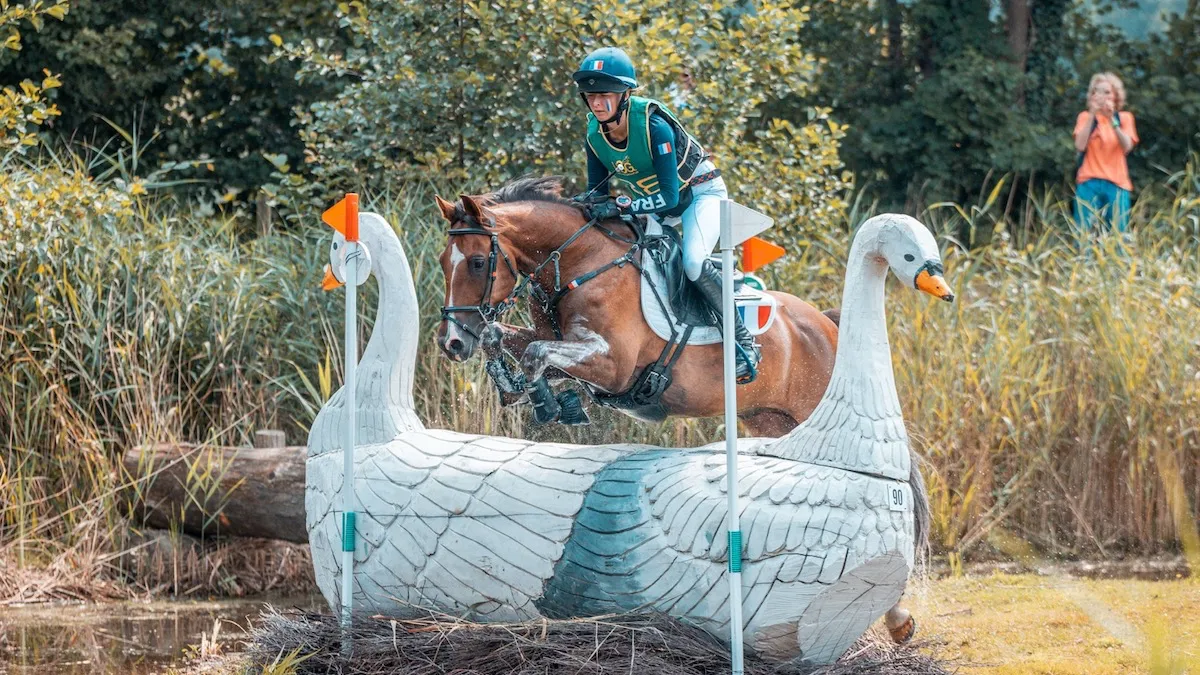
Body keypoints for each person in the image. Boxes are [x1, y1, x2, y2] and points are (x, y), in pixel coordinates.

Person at [571, 46, 760, 384]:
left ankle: (743, 339)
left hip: (699, 196)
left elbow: (671, 197)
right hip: (656, 205)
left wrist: (623, 206)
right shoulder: (594, 135)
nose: (596, 102)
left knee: (692, 263)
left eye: (605, 94)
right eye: (591, 95)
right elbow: (596, 195)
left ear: (625, 94)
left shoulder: (654, 127)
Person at [1073, 72, 1139, 234]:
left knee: (1118, 234)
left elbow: (1127, 147)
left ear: (1116, 96)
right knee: (1083, 233)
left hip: (1117, 183)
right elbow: (1080, 146)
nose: (1102, 96)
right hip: (1089, 181)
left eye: (1107, 92)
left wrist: (1112, 120)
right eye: (1097, 91)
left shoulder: (1124, 118)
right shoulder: (1084, 117)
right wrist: (1092, 115)